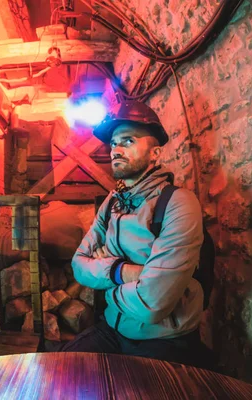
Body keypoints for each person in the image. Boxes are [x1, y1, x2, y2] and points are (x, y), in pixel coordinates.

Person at [59, 100, 212, 368]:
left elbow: (151, 304)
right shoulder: (112, 202)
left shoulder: (178, 203)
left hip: (164, 341)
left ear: (154, 154)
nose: (116, 149)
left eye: (127, 141)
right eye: (113, 143)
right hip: (111, 329)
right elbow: (78, 265)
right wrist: (123, 273)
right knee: (60, 371)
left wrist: (106, 284)